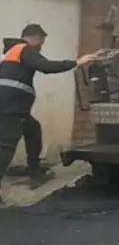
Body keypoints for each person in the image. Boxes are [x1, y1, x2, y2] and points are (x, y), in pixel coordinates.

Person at [0, 25, 94, 198]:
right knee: (6, 146)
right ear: (36, 38)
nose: (42, 46)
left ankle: (35, 172)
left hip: (10, 105)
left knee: (33, 130)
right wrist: (77, 62)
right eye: (42, 42)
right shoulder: (26, 49)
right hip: (11, 107)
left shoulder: (10, 53)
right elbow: (46, 66)